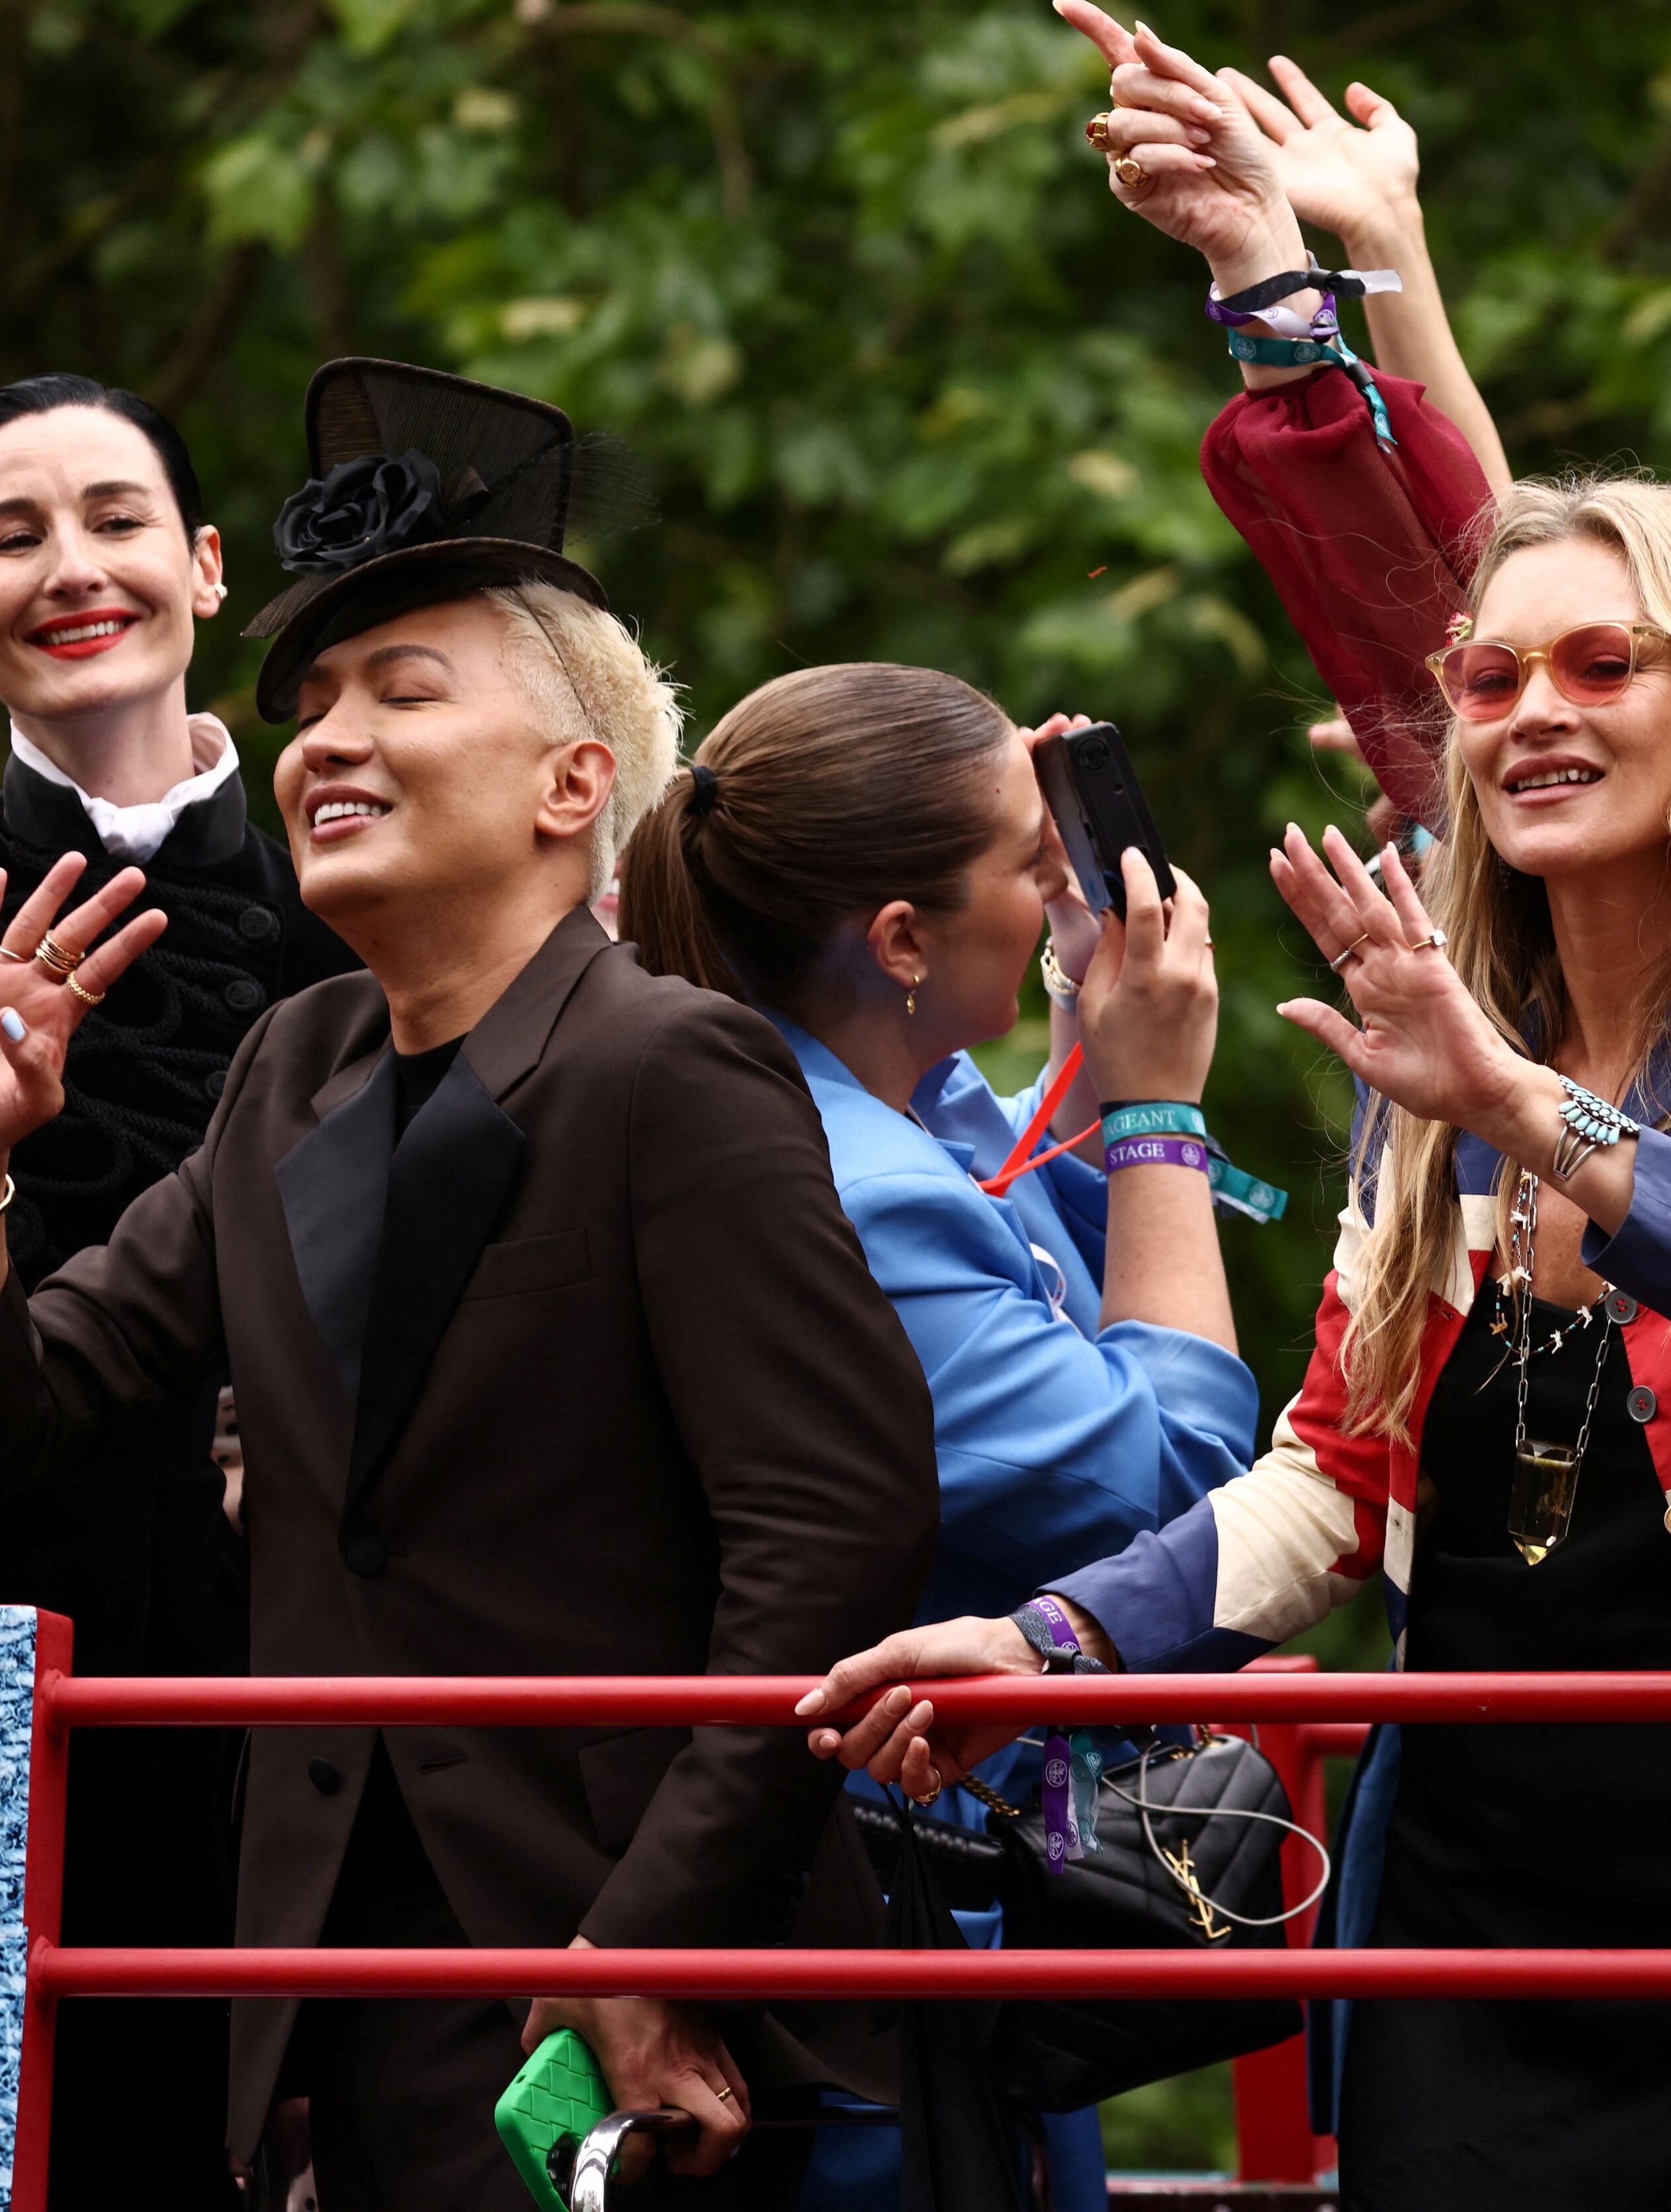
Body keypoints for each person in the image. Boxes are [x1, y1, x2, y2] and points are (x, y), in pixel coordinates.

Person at [797, 458, 1671, 2208]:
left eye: (1602, 665)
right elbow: (1335, 1482)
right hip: (1469, 1919)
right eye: (1492, 680)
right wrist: (1048, 1642)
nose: (1532, 716)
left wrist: (1513, 1099)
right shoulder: (1441, 1061)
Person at [0, 358, 939, 2211]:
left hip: (597, 1970)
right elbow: (7, 1416)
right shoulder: (292, 1065)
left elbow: (830, 1531)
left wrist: (640, 1953)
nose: (328, 736)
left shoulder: (668, 1064)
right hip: (322, 1972)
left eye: (403, 691)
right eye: (316, 701)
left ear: (572, 784)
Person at [0, 372, 362, 2207]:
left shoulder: (348, 925)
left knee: (214, 2124)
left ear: (204, 567)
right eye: (11, 534)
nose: (73, 565)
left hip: (252, 1649)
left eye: (116, 519)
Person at [614, 667, 1258, 2211]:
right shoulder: (860, 1194)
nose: (1059, 901)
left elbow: (1032, 1211)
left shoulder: (863, 1110)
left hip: (934, 1892)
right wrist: (1162, 1102)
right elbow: (1174, 1505)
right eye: (1036, 876)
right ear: (900, 940)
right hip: (884, 1939)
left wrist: (1075, 1016)